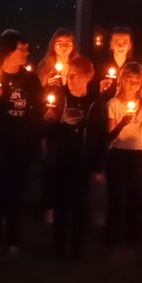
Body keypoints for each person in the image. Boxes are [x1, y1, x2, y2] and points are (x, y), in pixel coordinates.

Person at [0, 30, 42, 253]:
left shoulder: (31, 80)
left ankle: (14, 237)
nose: (26, 53)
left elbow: (37, 110)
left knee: (17, 191)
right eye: (22, 49)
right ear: (8, 51)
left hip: (22, 145)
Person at [42, 55, 97, 258]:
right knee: (61, 203)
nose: (70, 79)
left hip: (83, 160)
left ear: (88, 76)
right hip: (61, 159)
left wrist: (98, 165)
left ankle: (76, 247)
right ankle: (58, 245)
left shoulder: (95, 102)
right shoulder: (59, 97)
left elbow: (99, 133)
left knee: (80, 205)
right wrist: (49, 122)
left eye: (75, 75)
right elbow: (48, 132)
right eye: (68, 74)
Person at [100, 60, 142, 253]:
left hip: (138, 155)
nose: (133, 85)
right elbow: (109, 136)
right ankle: (112, 237)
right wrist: (122, 124)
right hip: (117, 154)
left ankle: (134, 237)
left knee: (136, 197)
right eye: (129, 80)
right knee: (115, 197)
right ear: (121, 80)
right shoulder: (113, 104)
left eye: (137, 81)